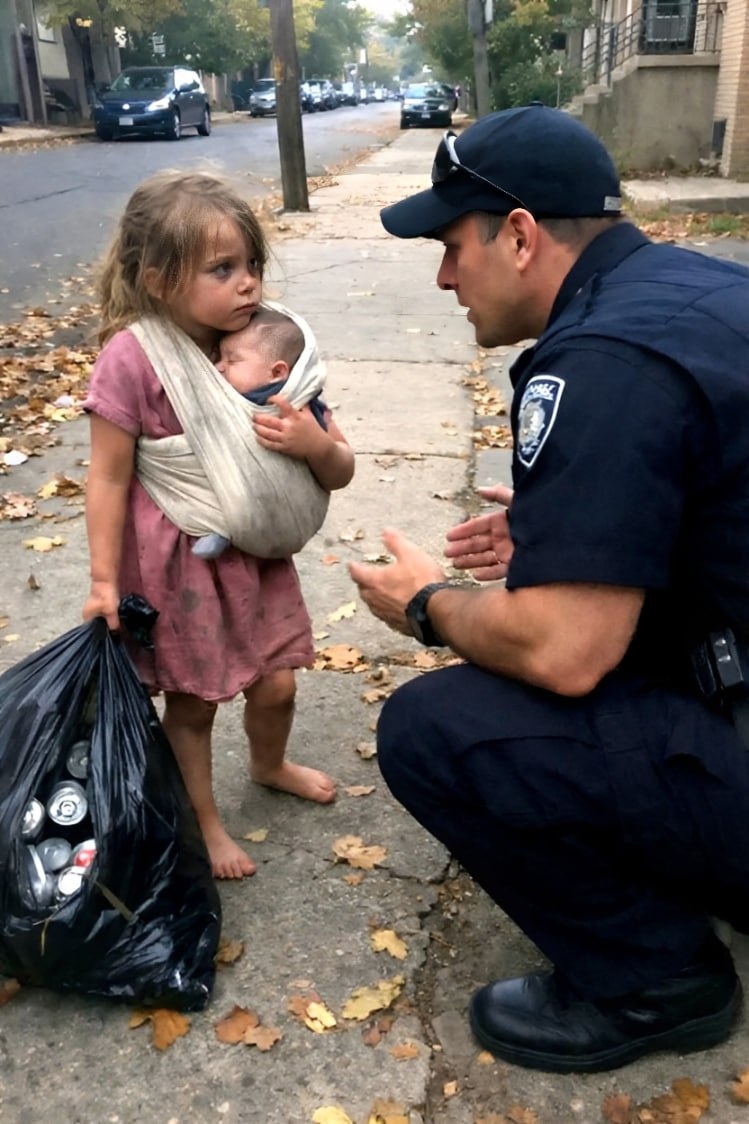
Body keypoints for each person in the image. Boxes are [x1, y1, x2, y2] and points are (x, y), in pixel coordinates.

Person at [349, 104, 749, 1073]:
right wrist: (560, 521)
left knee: (431, 727)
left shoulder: (600, 362)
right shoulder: (701, 291)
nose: (444, 277)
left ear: (518, 234)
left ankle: (655, 978)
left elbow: (566, 650)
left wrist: (423, 603)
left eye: (450, 246)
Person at [82, 169, 355, 880]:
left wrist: (312, 446)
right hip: (178, 571)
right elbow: (108, 477)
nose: (247, 284)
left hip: (255, 559)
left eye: (252, 265)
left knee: (278, 684)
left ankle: (268, 764)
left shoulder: (274, 349)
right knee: (194, 706)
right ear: (158, 278)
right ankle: (202, 820)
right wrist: (103, 580)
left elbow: (339, 467)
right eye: (222, 268)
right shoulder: (133, 360)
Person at [193, 305, 331, 560]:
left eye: (232, 360)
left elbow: (341, 472)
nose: (220, 368)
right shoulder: (222, 396)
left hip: (282, 503)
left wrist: (315, 445)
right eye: (218, 358)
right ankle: (221, 526)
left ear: (276, 372)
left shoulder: (300, 408)